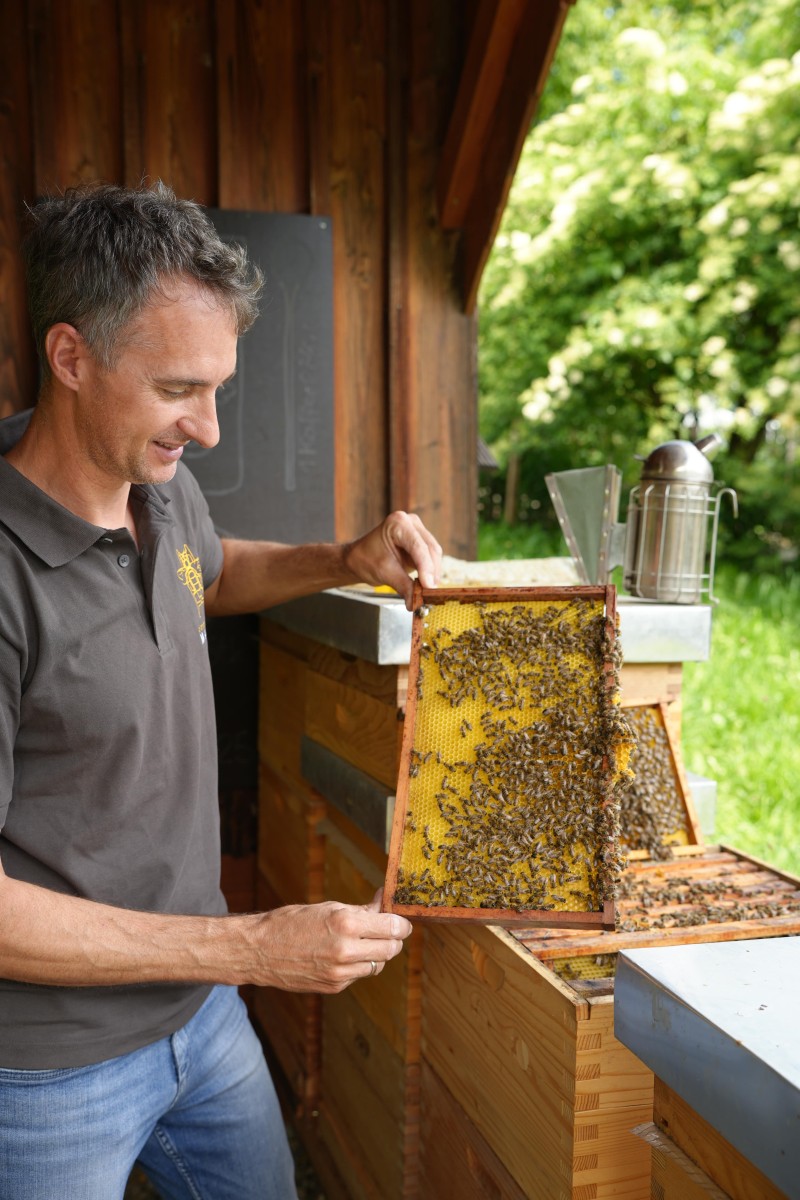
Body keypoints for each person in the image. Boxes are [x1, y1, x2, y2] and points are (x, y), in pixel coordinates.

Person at [0, 182, 442, 1200]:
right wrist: (251, 946)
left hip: (201, 1017)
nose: (204, 428)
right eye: (176, 390)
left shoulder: (158, 485)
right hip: (44, 1073)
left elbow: (211, 570)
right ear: (70, 358)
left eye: (218, 390)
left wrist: (341, 555)